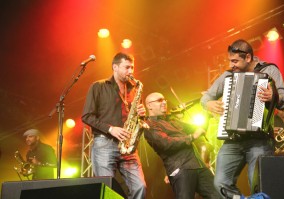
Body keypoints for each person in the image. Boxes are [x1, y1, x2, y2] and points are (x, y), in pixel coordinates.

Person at [200, 39, 284, 198]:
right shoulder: (228, 75)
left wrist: (273, 96)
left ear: (248, 57)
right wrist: (208, 104)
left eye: (235, 61)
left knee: (258, 185)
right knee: (220, 183)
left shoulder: (269, 70)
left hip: (260, 141)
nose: (231, 64)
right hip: (233, 140)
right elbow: (206, 97)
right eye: (230, 60)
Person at [81, 52, 147, 199]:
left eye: (132, 68)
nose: (131, 71)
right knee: (107, 189)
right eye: (127, 67)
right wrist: (111, 129)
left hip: (128, 146)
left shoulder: (134, 89)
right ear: (115, 67)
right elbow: (87, 116)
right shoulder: (98, 86)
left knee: (140, 187)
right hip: (105, 143)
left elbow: (137, 118)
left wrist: (142, 114)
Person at [144, 92, 222, 199]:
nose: (164, 103)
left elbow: (199, 129)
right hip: (181, 168)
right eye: (159, 100)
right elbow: (166, 143)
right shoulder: (150, 125)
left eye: (164, 100)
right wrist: (191, 137)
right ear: (149, 105)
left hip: (198, 165)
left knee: (219, 196)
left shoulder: (172, 121)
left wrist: (207, 110)